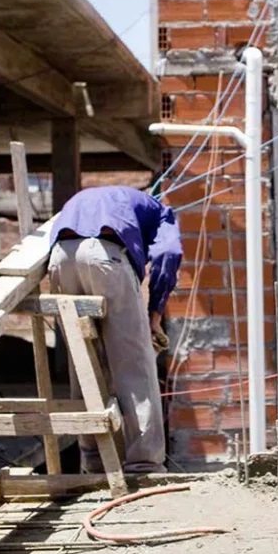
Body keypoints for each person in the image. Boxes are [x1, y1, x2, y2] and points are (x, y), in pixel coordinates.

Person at [48, 185, 182, 474]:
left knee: (85, 363)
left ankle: (94, 461)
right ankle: (144, 464)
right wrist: (155, 313)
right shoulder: (161, 211)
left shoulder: (82, 198)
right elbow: (168, 254)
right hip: (105, 257)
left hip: (59, 259)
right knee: (134, 364)